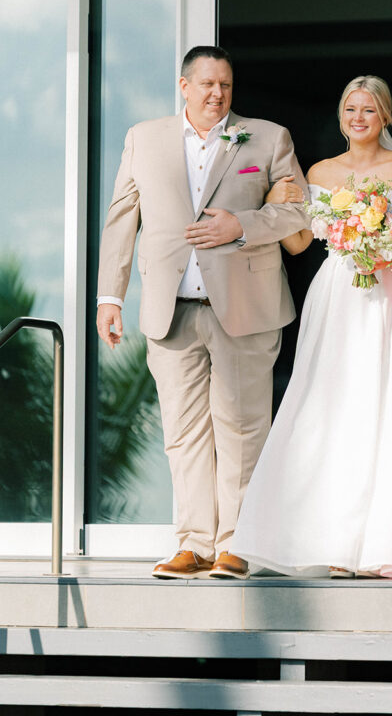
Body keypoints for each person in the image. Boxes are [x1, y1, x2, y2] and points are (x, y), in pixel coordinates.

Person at [96, 45, 308, 580]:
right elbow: (123, 217)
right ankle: (194, 543)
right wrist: (110, 296)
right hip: (172, 310)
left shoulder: (268, 136)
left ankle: (239, 542)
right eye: (208, 84)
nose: (218, 94)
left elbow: (299, 211)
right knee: (183, 432)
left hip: (245, 308)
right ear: (184, 86)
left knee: (240, 426)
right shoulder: (144, 138)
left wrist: (242, 225)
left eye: (227, 86)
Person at [228, 76, 392, 578]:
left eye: (370, 110)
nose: (359, 118)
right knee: (332, 407)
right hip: (337, 296)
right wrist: (279, 201)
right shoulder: (320, 171)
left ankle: (383, 543)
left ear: (385, 117)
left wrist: (389, 247)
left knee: (390, 404)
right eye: (351, 108)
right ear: (341, 114)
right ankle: (331, 540)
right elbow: (302, 244)